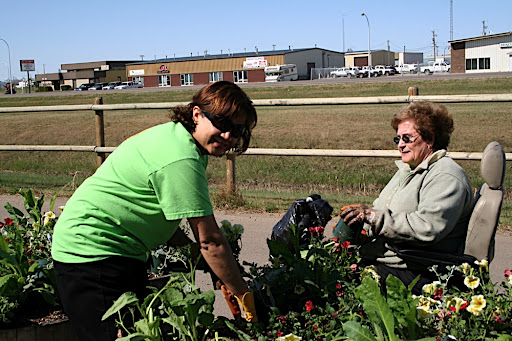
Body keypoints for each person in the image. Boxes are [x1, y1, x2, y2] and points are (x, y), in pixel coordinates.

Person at [51, 81, 258, 340]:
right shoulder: (181, 156)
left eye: (238, 130)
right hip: (93, 255)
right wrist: (243, 296)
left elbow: (166, 216)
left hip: (117, 252)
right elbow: (211, 242)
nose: (229, 136)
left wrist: (201, 259)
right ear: (196, 114)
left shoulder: (178, 138)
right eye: (222, 123)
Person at [340, 101, 474, 294]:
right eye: (398, 139)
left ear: (430, 139)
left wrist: (373, 217)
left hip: (417, 270)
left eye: (407, 138)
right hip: (389, 260)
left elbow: (427, 227)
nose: (401, 145)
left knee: (337, 284)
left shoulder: (446, 176)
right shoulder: (409, 169)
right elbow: (382, 209)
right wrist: (362, 229)